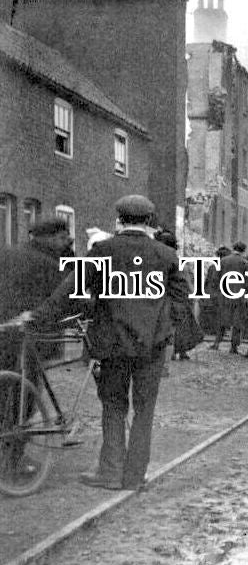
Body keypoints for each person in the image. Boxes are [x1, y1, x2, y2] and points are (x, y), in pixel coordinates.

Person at [30, 195, 188, 490]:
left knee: (113, 406)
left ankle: (111, 472)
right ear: (150, 222)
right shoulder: (166, 255)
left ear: (119, 220)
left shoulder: (103, 250)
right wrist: (163, 328)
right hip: (151, 348)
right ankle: (134, 476)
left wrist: (37, 316)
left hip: (112, 344)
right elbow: (181, 301)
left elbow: (69, 292)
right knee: (144, 410)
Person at [0, 218, 77, 475]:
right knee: (25, 397)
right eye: (64, 237)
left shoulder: (7, 252)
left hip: (2, 331)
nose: (67, 242)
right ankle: (13, 461)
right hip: (28, 336)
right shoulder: (50, 265)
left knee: (4, 394)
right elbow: (65, 300)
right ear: (52, 237)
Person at [154, 230, 202, 361]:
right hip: (177, 300)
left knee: (174, 326)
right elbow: (187, 281)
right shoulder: (178, 262)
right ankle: (177, 352)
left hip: (166, 300)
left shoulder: (156, 259)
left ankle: (176, 352)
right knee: (180, 326)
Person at [210, 241, 248, 354]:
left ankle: (217, 343)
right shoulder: (244, 263)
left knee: (222, 319)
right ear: (243, 250)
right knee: (237, 321)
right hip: (239, 295)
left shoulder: (223, 261)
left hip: (224, 294)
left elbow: (215, 278)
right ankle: (233, 347)